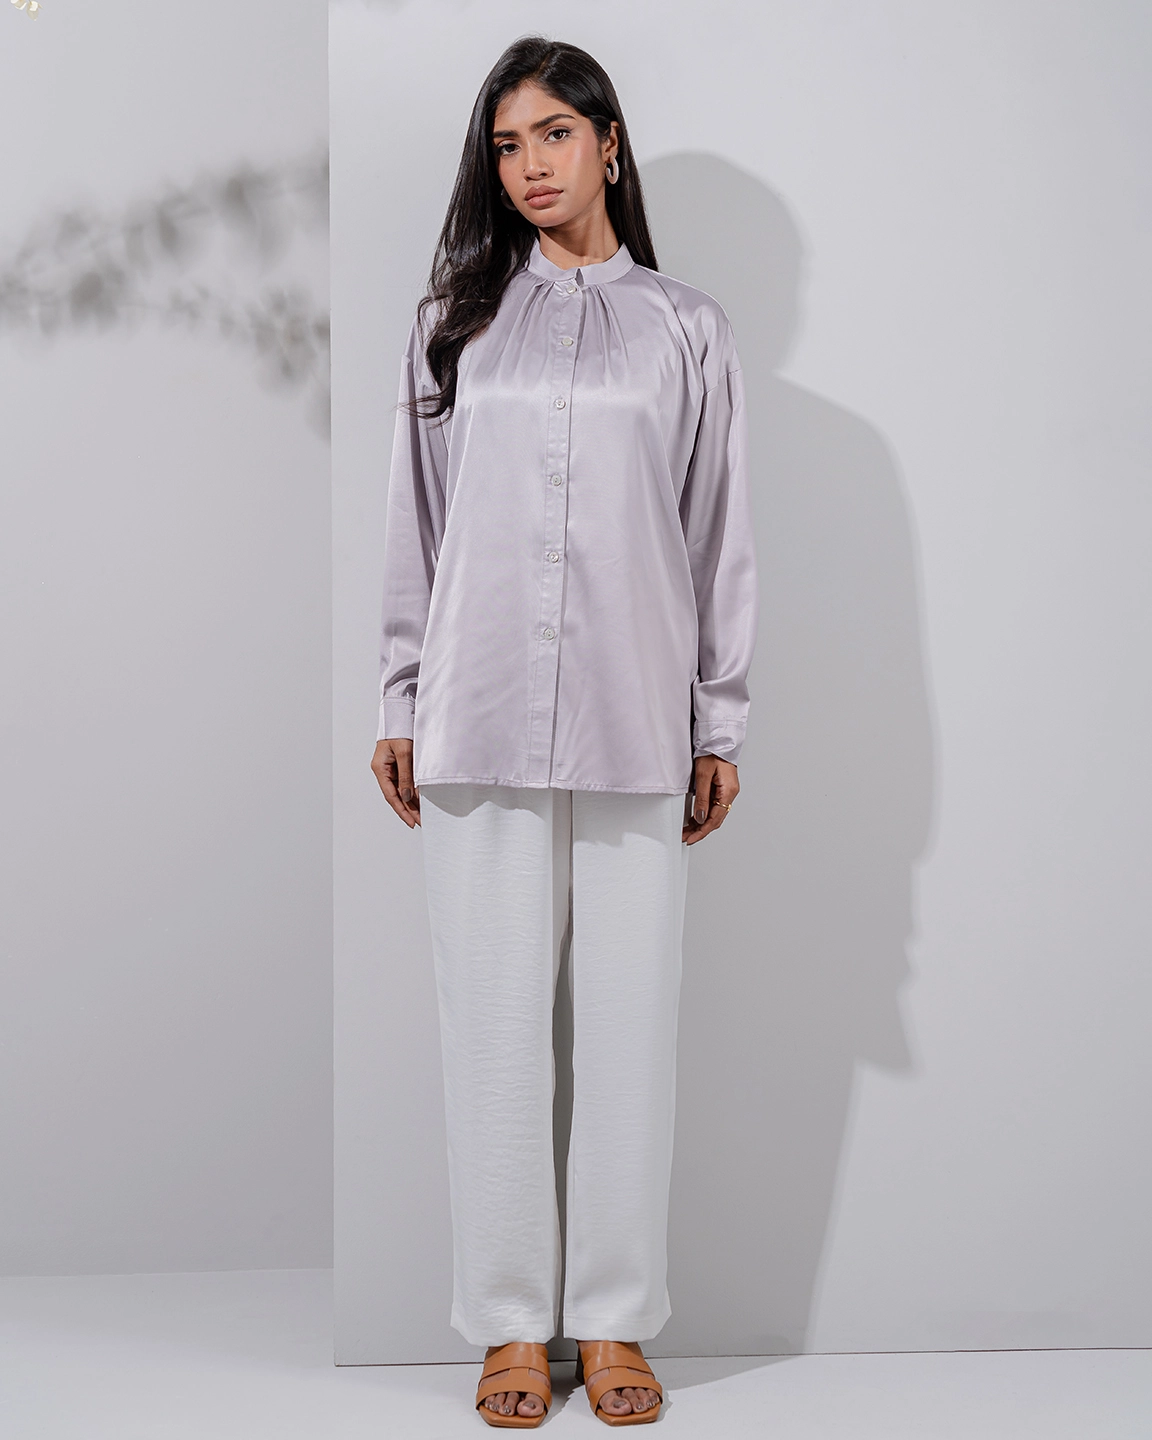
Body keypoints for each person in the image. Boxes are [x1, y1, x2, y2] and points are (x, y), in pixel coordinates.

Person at [371, 35, 758, 1429]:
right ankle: (506, 1328)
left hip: (638, 712)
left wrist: (720, 718)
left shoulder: (688, 329)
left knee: (631, 1028)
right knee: (490, 1029)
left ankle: (613, 1321)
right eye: (505, 145)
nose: (529, 165)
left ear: (608, 142)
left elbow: (717, 535)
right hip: (475, 708)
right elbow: (417, 520)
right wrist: (399, 694)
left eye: (551, 135)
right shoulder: (452, 325)